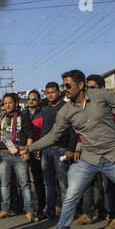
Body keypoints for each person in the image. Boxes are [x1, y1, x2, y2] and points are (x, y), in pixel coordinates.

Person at [20, 69, 115, 229]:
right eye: (63, 85)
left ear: (80, 85)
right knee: (71, 194)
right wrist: (29, 147)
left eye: (67, 85)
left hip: (114, 156)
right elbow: (53, 135)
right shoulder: (66, 110)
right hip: (89, 158)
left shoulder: (101, 96)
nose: (65, 89)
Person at [73, 74, 115, 229]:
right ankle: (89, 214)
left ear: (102, 88)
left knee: (109, 185)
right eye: (88, 88)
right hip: (89, 152)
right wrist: (78, 148)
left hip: (108, 152)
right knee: (88, 184)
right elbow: (82, 131)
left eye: (93, 88)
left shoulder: (110, 106)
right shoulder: (85, 106)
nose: (90, 91)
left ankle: (114, 217)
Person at [0, 92, 37, 222]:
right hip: (4, 154)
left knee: (25, 184)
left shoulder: (23, 117)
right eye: (5, 103)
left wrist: (27, 150)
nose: (7, 105)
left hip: (18, 154)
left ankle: (30, 211)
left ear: (16, 103)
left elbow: (30, 134)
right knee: (4, 185)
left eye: (10, 102)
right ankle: (5, 209)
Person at [38, 82, 77, 220]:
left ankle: (67, 213)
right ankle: (50, 212)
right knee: (48, 183)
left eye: (53, 92)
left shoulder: (66, 107)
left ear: (59, 93)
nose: (50, 95)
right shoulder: (45, 109)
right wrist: (39, 147)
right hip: (46, 150)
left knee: (63, 182)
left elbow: (73, 130)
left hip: (61, 149)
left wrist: (71, 149)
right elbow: (44, 130)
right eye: (47, 92)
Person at [22, 90, 46, 219]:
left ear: (39, 101)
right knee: (27, 181)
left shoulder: (43, 113)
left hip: (39, 149)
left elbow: (46, 132)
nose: (31, 101)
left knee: (39, 180)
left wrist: (39, 147)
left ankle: (40, 208)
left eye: (34, 99)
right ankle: (29, 208)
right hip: (26, 150)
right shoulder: (23, 114)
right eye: (29, 99)